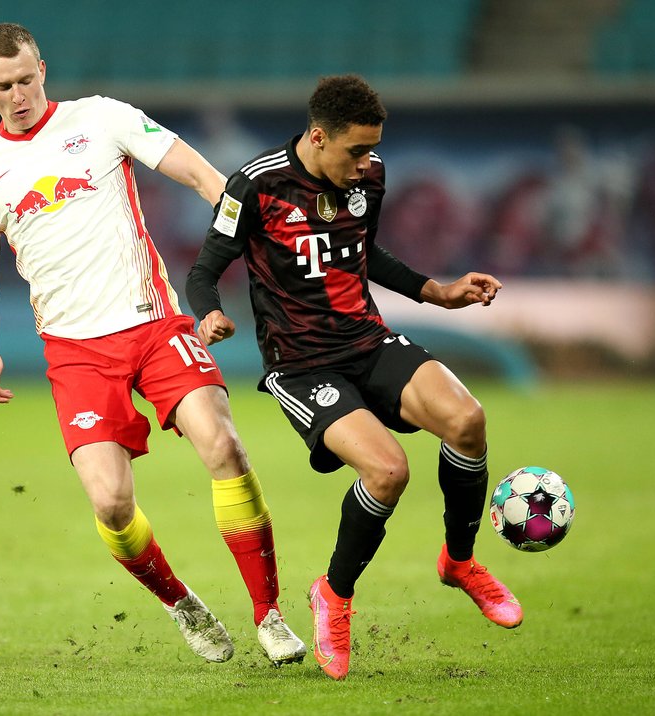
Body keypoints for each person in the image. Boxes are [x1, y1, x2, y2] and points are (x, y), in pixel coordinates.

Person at [0, 23, 305, 666]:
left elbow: (202, 176)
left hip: (153, 322)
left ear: (43, 69)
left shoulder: (102, 119)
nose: (18, 95)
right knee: (112, 504)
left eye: (27, 79)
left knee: (223, 444)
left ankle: (270, 614)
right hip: (73, 351)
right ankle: (181, 603)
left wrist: (254, 238)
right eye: (3, 86)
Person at [186, 74, 522, 681]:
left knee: (467, 421)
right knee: (388, 470)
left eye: (373, 150)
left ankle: (460, 561)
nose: (368, 164)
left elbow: (367, 255)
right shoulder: (256, 185)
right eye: (357, 152)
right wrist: (208, 313)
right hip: (302, 363)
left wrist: (439, 294)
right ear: (318, 137)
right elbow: (205, 269)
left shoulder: (369, 178)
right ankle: (333, 595)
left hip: (367, 341)